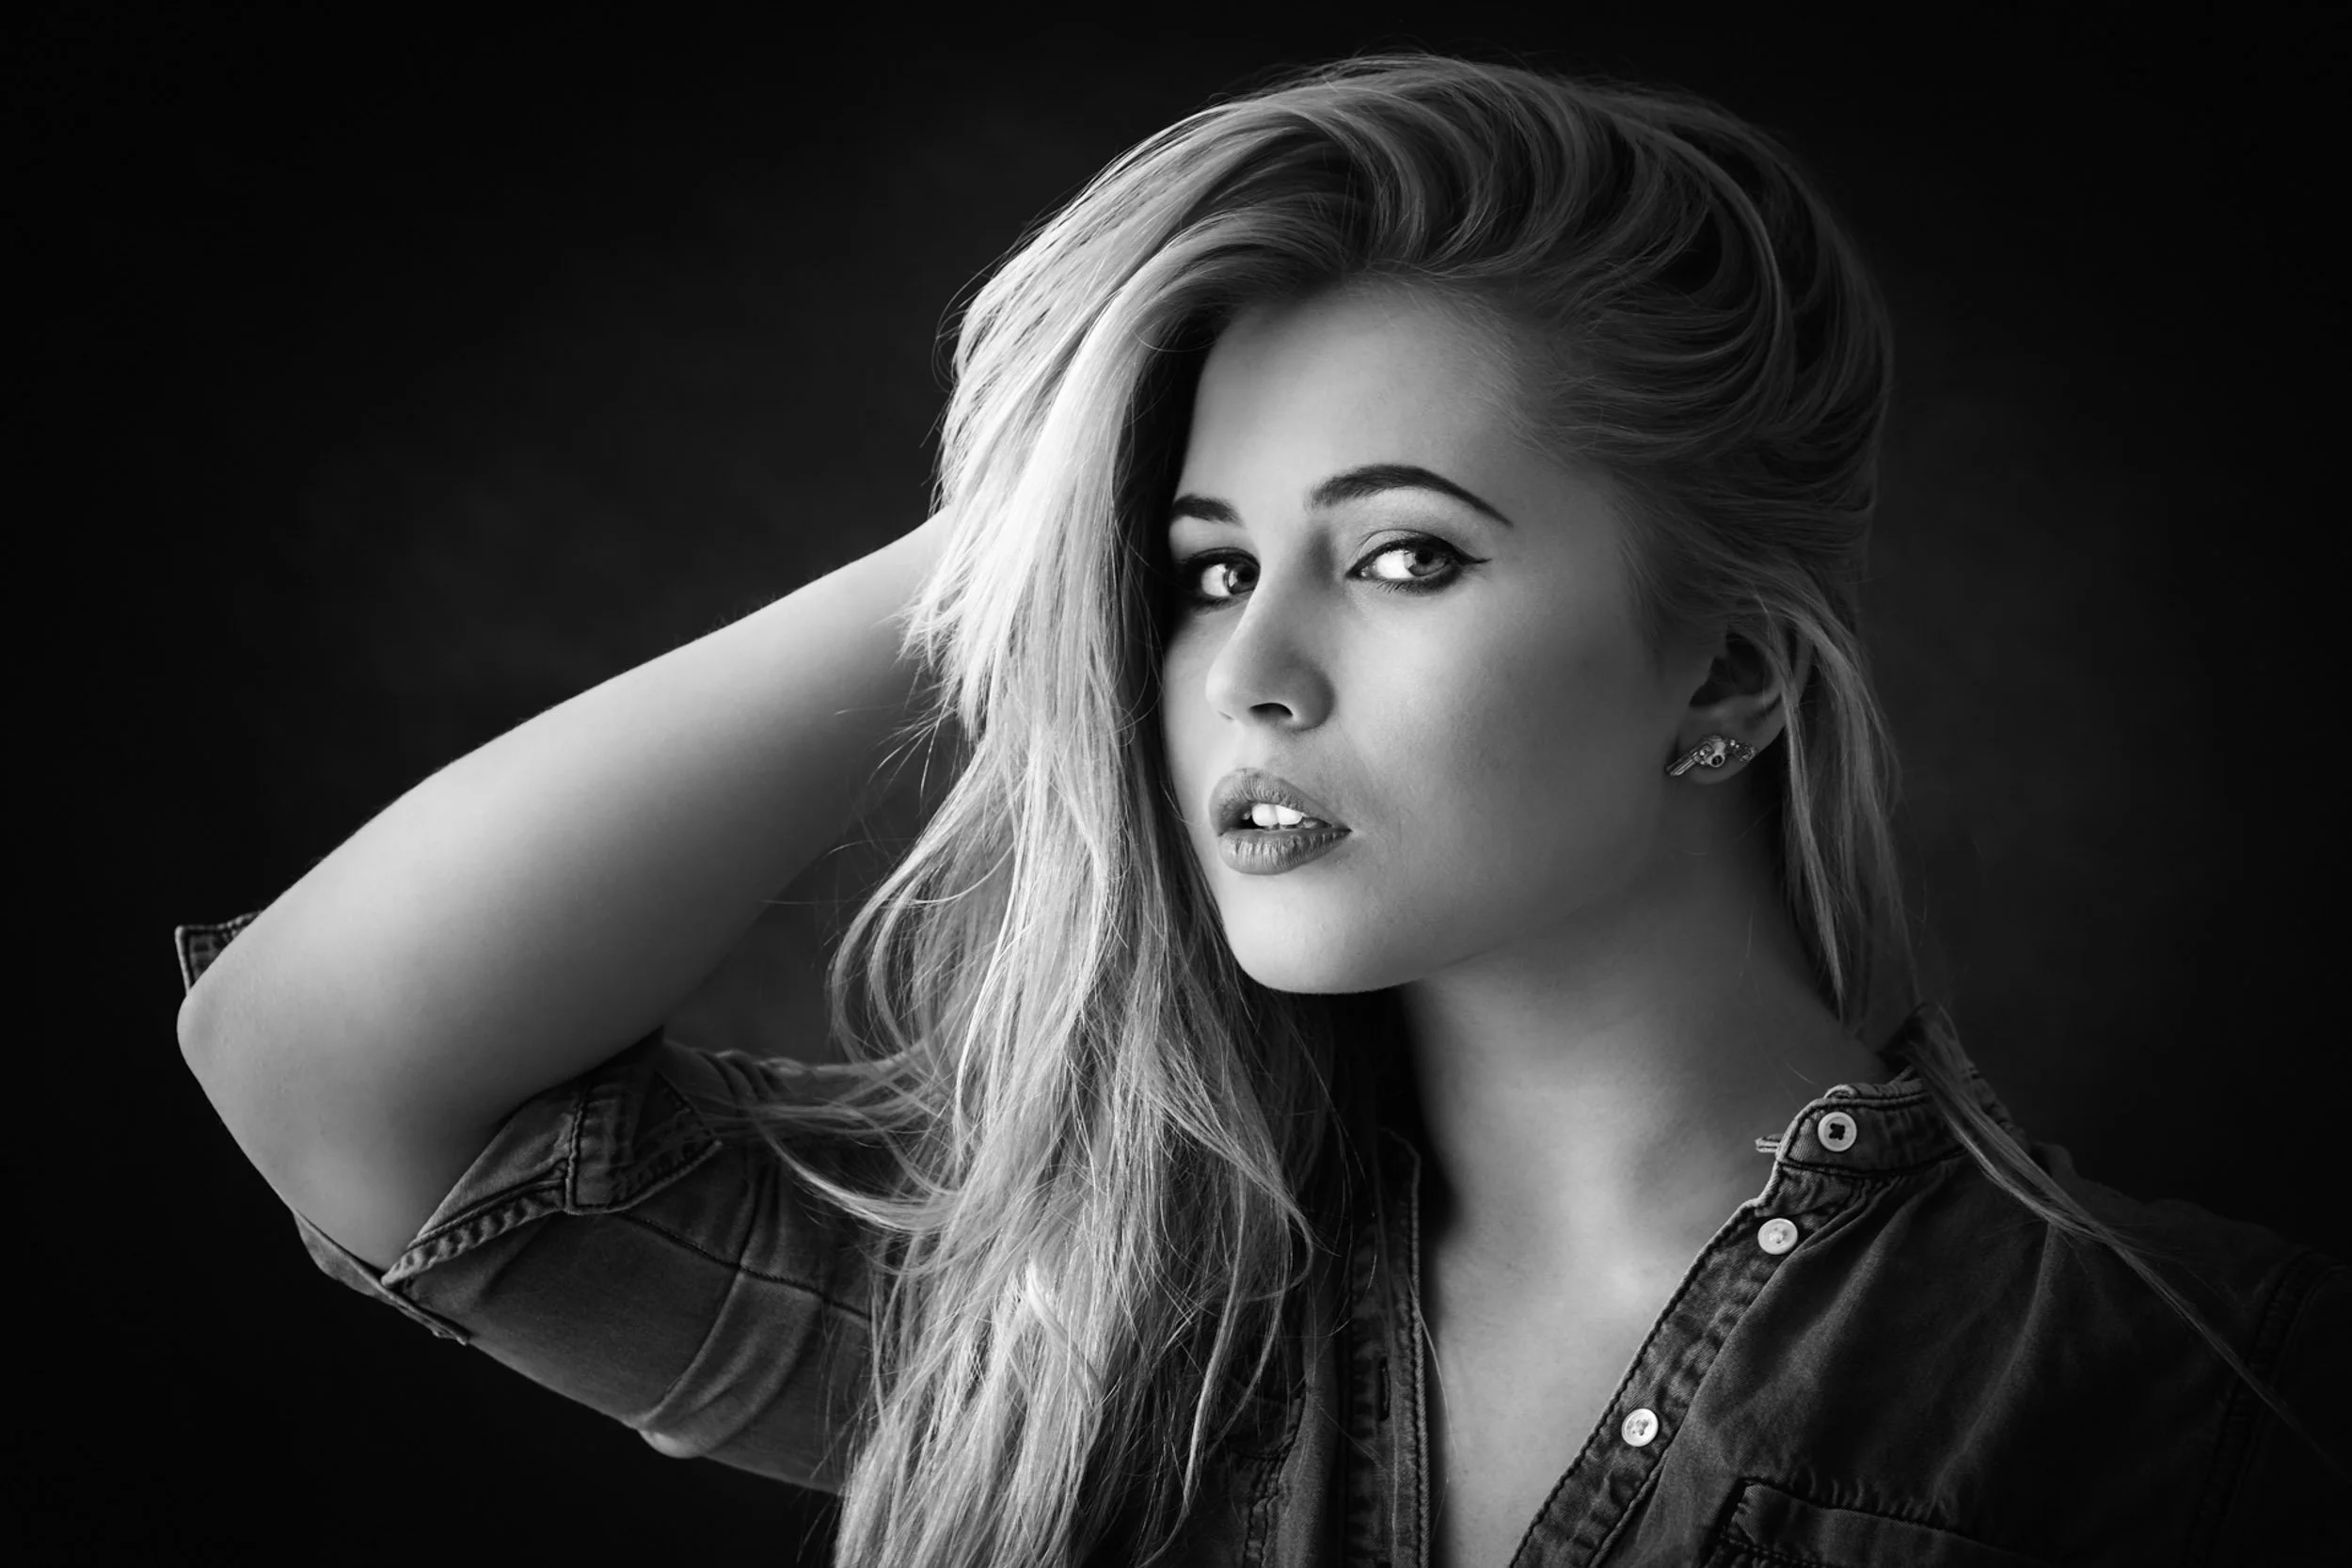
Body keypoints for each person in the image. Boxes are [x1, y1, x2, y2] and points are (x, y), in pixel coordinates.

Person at [174, 51, 2345, 1568]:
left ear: (1726, 673)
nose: (1254, 671)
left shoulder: (2200, 1390)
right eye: (1197, 570)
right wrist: (1028, 525)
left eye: (1403, 555)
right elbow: (328, 1064)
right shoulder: (1082, 1317)